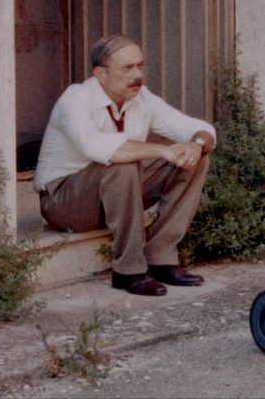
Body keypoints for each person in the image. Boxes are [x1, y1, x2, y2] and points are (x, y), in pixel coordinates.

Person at [34, 34, 216, 296]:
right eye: (127, 68)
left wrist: (196, 144)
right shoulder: (76, 99)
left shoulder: (142, 98)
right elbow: (96, 146)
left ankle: (161, 258)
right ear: (101, 74)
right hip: (64, 202)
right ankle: (128, 271)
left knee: (194, 159)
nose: (137, 75)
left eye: (140, 66)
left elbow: (200, 128)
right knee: (122, 163)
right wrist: (163, 150)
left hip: (114, 195)